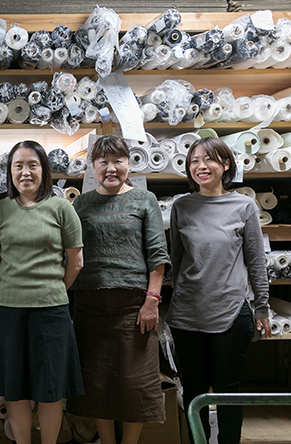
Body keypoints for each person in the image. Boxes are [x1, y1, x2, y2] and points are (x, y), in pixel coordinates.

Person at [65, 135, 170, 444]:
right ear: (93, 167)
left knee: (135, 381)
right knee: (97, 380)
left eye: (118, 161)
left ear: (129, 163)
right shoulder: (81, 203)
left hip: (134, 305)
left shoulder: (143, 199)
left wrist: (152, 300)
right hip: (88, 303)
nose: (111, 169)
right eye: (103, 162)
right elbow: (72, 252)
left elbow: (158, 253)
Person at [167, 137, 272, 444]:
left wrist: (262, 308)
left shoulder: (244, 206)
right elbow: (176, 260)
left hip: (229, 313)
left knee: (228, 390)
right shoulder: (181, 206)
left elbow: (256, 261)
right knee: (194, 392)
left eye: (209, 159)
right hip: (187, 316)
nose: (201, 166)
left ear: (226, 164)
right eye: (194, 161)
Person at [0, 140, 84, 444]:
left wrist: (52, 288)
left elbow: (76, 261)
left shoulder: (61, 207)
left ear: (44, 170)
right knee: (15, 389)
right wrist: (19, 285)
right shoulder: (0, 210)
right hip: (11, 310)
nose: (25, 172)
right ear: (10, 172)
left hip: (51, 311)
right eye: (19, 166)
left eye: (33, 165)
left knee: (50, 389)